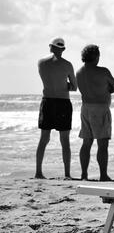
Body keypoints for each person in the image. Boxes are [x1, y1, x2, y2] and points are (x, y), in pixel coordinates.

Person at [35, 38, 77, 179]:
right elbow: (74, 87)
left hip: (47, 101)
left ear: (50, 47)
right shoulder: (67, 65)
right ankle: (67, 174)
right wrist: (64, 84)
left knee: (44, 139)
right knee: (64, 140)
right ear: (63, 49)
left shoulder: (41, 63)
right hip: (63, 102)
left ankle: (38, 172)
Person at [76, 45, 114, 181]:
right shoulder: (103, 71)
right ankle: (103, 175)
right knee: (103, 144)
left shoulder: (79, 72)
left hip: (85, 108)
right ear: (95, 56)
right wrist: (105, 90)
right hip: (100, 108)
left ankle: (84, 174)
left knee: (86, 142)